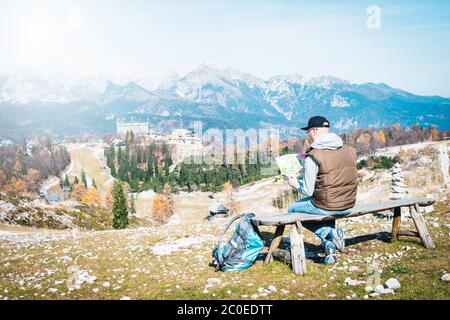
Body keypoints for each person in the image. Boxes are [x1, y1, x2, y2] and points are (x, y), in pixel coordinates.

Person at [287, 116, 358, 264]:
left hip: (328, 205)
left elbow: (307, 191)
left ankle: (329, 234)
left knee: (293, 209)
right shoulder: (349, 150)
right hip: (349, 203)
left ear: (314, 131)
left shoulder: (313, 155)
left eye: (308, 132)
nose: (308, 135)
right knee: (327, 203)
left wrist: (294, 183)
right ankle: (329, 247)